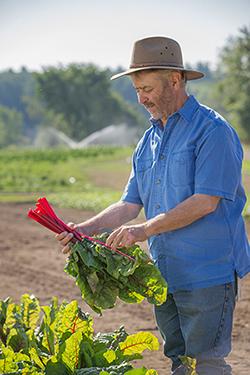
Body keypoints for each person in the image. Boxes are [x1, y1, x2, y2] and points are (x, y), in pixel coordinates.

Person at [56, 36, 250, 374]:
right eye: (136, 89)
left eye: (146, 88)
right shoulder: (149, 141)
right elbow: (130, 204)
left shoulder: (212, 131)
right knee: (180, 362)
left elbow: (206, 201)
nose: (141, 98)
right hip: (165, 275)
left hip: (208, 272)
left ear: (174, 80)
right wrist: (83, 229)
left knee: (205, 363)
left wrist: (143, 230)